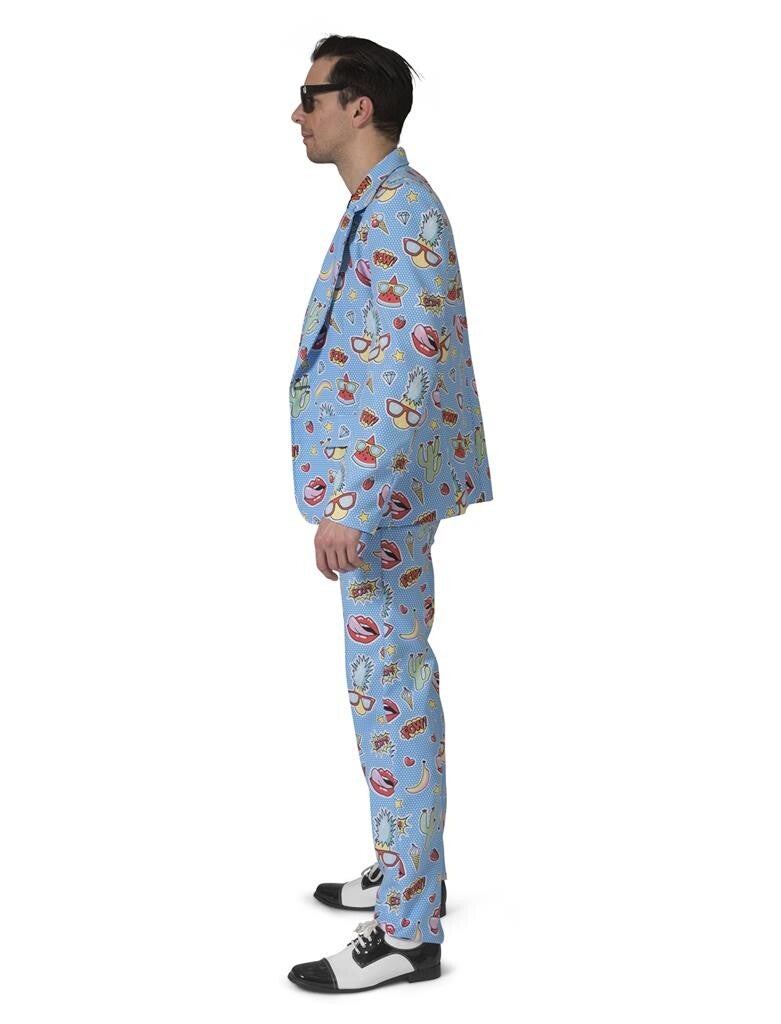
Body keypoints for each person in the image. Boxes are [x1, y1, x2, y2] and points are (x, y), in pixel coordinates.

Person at [286, 34, 494, 993]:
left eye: (311, 96)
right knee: (386, 689)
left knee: (392, 697)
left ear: (357, 106)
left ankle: (409, 930)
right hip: (385, 492)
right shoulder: (380, 205)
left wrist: (354, 502)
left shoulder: (401, 212)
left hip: (383, 501)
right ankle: (408, 869)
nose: (298, 114)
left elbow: (407, 366)